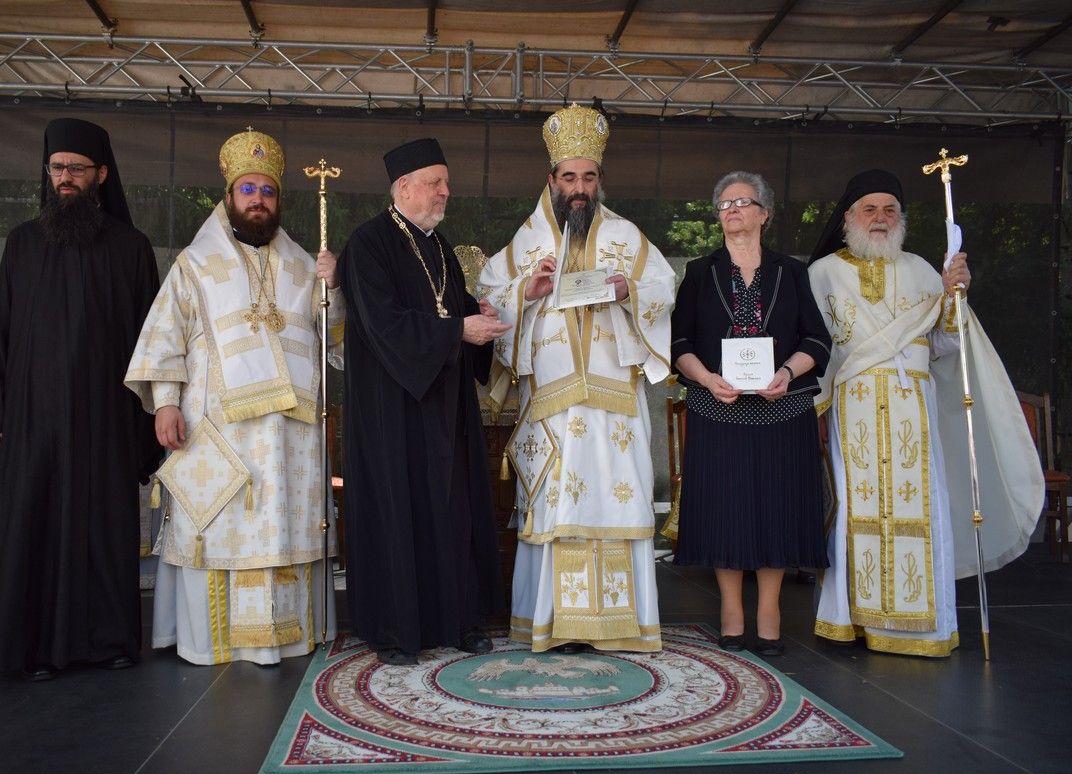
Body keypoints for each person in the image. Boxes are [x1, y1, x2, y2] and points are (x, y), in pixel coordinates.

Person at [124, 128, 344, 665]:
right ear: (228, 195)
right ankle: (211, 641)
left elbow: (334, 343)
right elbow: (165, 337)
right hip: (217, 428)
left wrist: (334, 291)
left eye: (267, 191)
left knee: (282, 528)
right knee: (220, 525)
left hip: (289, 435)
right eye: (248, 189)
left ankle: (290, 635)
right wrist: (166, 402)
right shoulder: (194, 264)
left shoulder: (304, 264)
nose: (257, 200)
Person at [808, 169, 1042, 657]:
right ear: (849, 217)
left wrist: (956, 297)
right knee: (855, 506)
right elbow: (814, 346)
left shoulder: (922, 271)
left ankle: (920, 627)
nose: (880, 218)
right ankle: (852, 619)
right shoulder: (823, 273)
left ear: (902, 219)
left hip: (913, 406)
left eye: (889, 210)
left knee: (922, 504)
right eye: (869, 210)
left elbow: (945, 345)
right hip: (855, 407)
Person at [0, 118, 162, 679]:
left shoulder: (131, 248)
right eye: (57, 168)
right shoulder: (22, 243)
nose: (66, 178)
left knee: (103, 526)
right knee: (35, 524)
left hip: (105, 417)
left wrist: (147, 419)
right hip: (35, 417)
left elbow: (152, 340)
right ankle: (32, 649)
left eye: (77, 168)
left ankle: (108, 640)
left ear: (102, 174)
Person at [476, 104, 675, 653]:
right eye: (569, 177)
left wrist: (629, 291)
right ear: (551, 180)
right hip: (552, 403)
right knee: (558, 508)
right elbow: (488, 299)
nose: (579, 188)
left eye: (588, 177)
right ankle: (554, 626)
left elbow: (664, 290)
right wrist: (527, 291)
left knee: (617, 503)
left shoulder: (628, 237)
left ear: (599, 179)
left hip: (616, 405)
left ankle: (619, 627)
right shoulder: (525, 244)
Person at [338, 137, 508, 666]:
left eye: (446, 183)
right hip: (392, 411)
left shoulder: (440, 248)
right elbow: (383, 324)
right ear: (404, 187)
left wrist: (477, 315)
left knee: (451, 512)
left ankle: (457, 620)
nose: (445, 192)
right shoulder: (367, 244)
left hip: (445, 409)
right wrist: (459, 329)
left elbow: (449, 309)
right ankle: (395, 630)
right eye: (435, 183)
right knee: (399, 512)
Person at [668, 172, 831, 657]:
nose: (732, 209)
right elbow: (679, 342)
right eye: (724, 204)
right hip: (717, 410)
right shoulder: (700, 272)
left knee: (776, 510)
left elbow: (817, 339)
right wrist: (705, 378)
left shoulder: (791, 271)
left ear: (765, 213)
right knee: (725, 511)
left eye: (743, 201)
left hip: (784, 409)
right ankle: (731, 611)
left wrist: (786, 372)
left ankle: (770, 611)